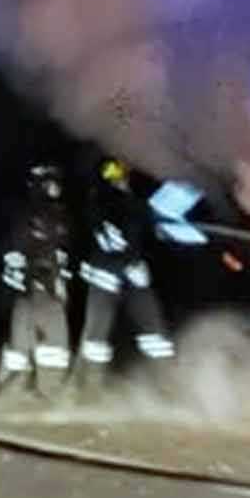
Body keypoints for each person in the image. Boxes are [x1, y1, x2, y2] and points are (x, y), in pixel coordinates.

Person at [74, 158, 182, 384]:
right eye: (114, 172)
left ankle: (166, 381)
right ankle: (88, 385)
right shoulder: (102, 203)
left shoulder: (132, 203)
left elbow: (146, 234)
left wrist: (162, 227)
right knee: (96, 337)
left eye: (121, 171)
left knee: (153, 333)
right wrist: (128, 263)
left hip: (133, 276)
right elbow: (109, 239)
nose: (121, 177)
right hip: (107, 277)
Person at [0, 162, 73, 391]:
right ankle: (29, 389)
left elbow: (59, 252)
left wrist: (61, 281)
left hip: (44, 286)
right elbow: (19, 252)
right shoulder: (30, 214)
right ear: (41, 184)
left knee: (36, 337)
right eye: (52, 182)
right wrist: (34, 279)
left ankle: (34, 388)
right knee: (38, 337)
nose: (57, 186)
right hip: (34, 285)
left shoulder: (57, 214)